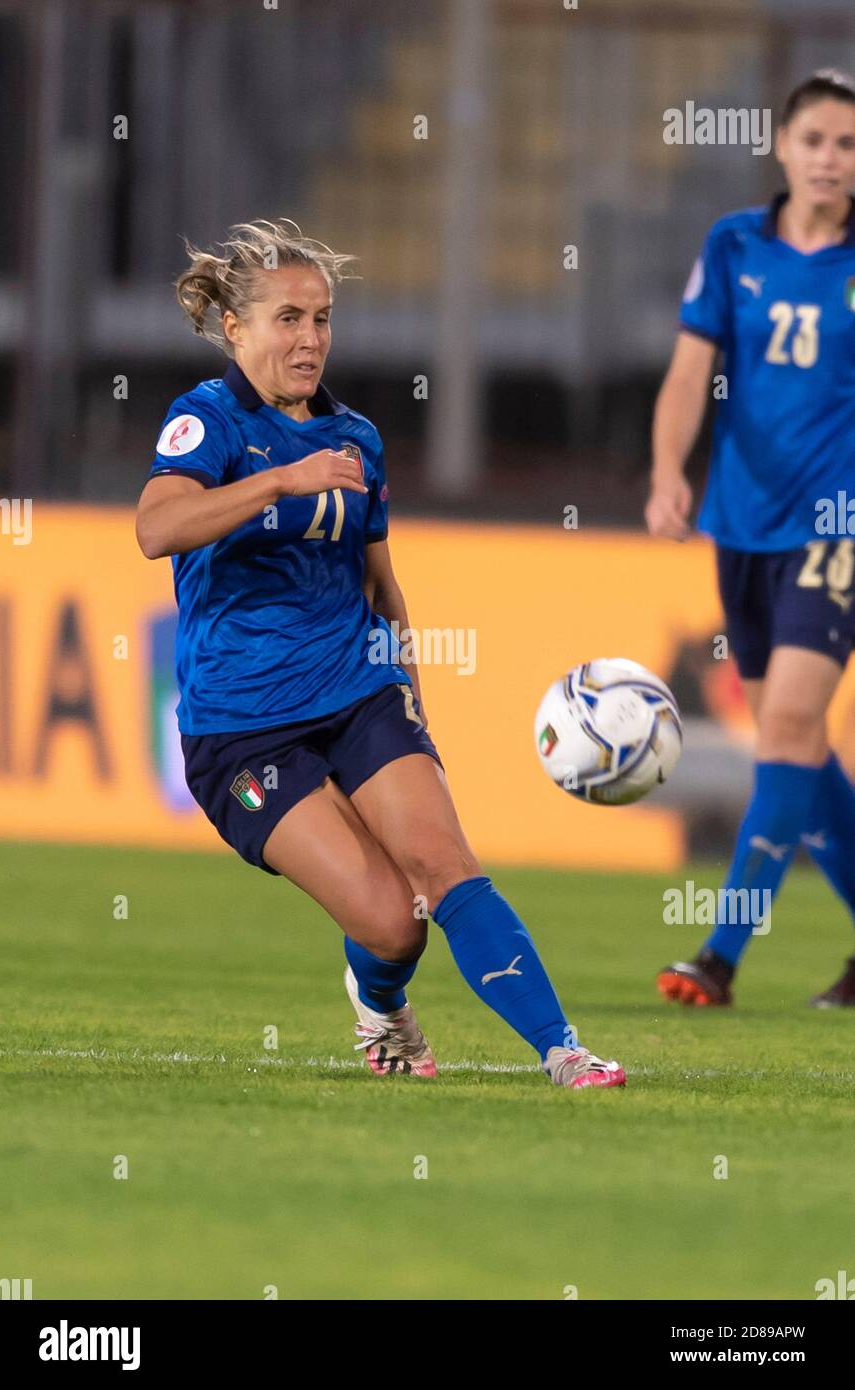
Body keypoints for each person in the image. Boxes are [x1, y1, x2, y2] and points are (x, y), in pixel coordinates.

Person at [136, 219, 625, 1087]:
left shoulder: (354, 438)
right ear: (236, 329)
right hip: (244, 729)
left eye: (322, 319)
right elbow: (156, 527)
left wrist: (411, 693)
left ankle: (564, 1050)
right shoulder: (203, 422)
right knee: (395, 926)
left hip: (360, 689)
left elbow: (381, 583)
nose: (310, 339)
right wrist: (280, 480)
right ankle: (381, 1008)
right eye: (288, 318)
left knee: (445, 865)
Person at [646, 71, 855, 1007]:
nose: (830, 159)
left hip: (835, 525)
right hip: (742, 523)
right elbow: (691, 374)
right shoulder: (732, 245)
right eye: (816, 139)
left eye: (848, 145)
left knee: (786, 730)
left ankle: (721, 957)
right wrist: (667, 474)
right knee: (798, 754)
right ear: (782, 146)